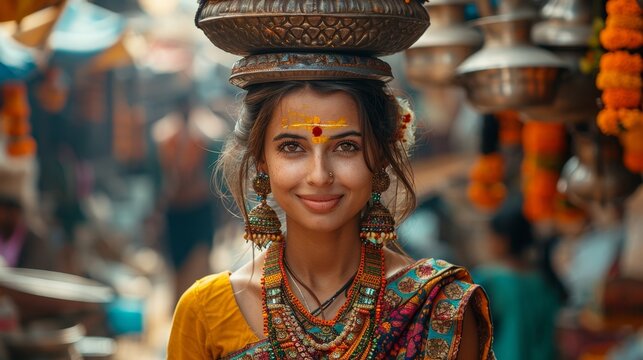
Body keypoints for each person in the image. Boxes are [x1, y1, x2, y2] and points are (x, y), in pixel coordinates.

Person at [168, 1, 494, 358]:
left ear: (381, 155)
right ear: (262, 159)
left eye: (347, 147)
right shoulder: (206, 312)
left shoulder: (439, 309)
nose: (320, 175)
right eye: (292, 147)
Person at [472, 196, 563, 360]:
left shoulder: (488, 280)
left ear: (504, 240)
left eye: (491, 237)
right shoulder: (545, 279)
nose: (488, 243)